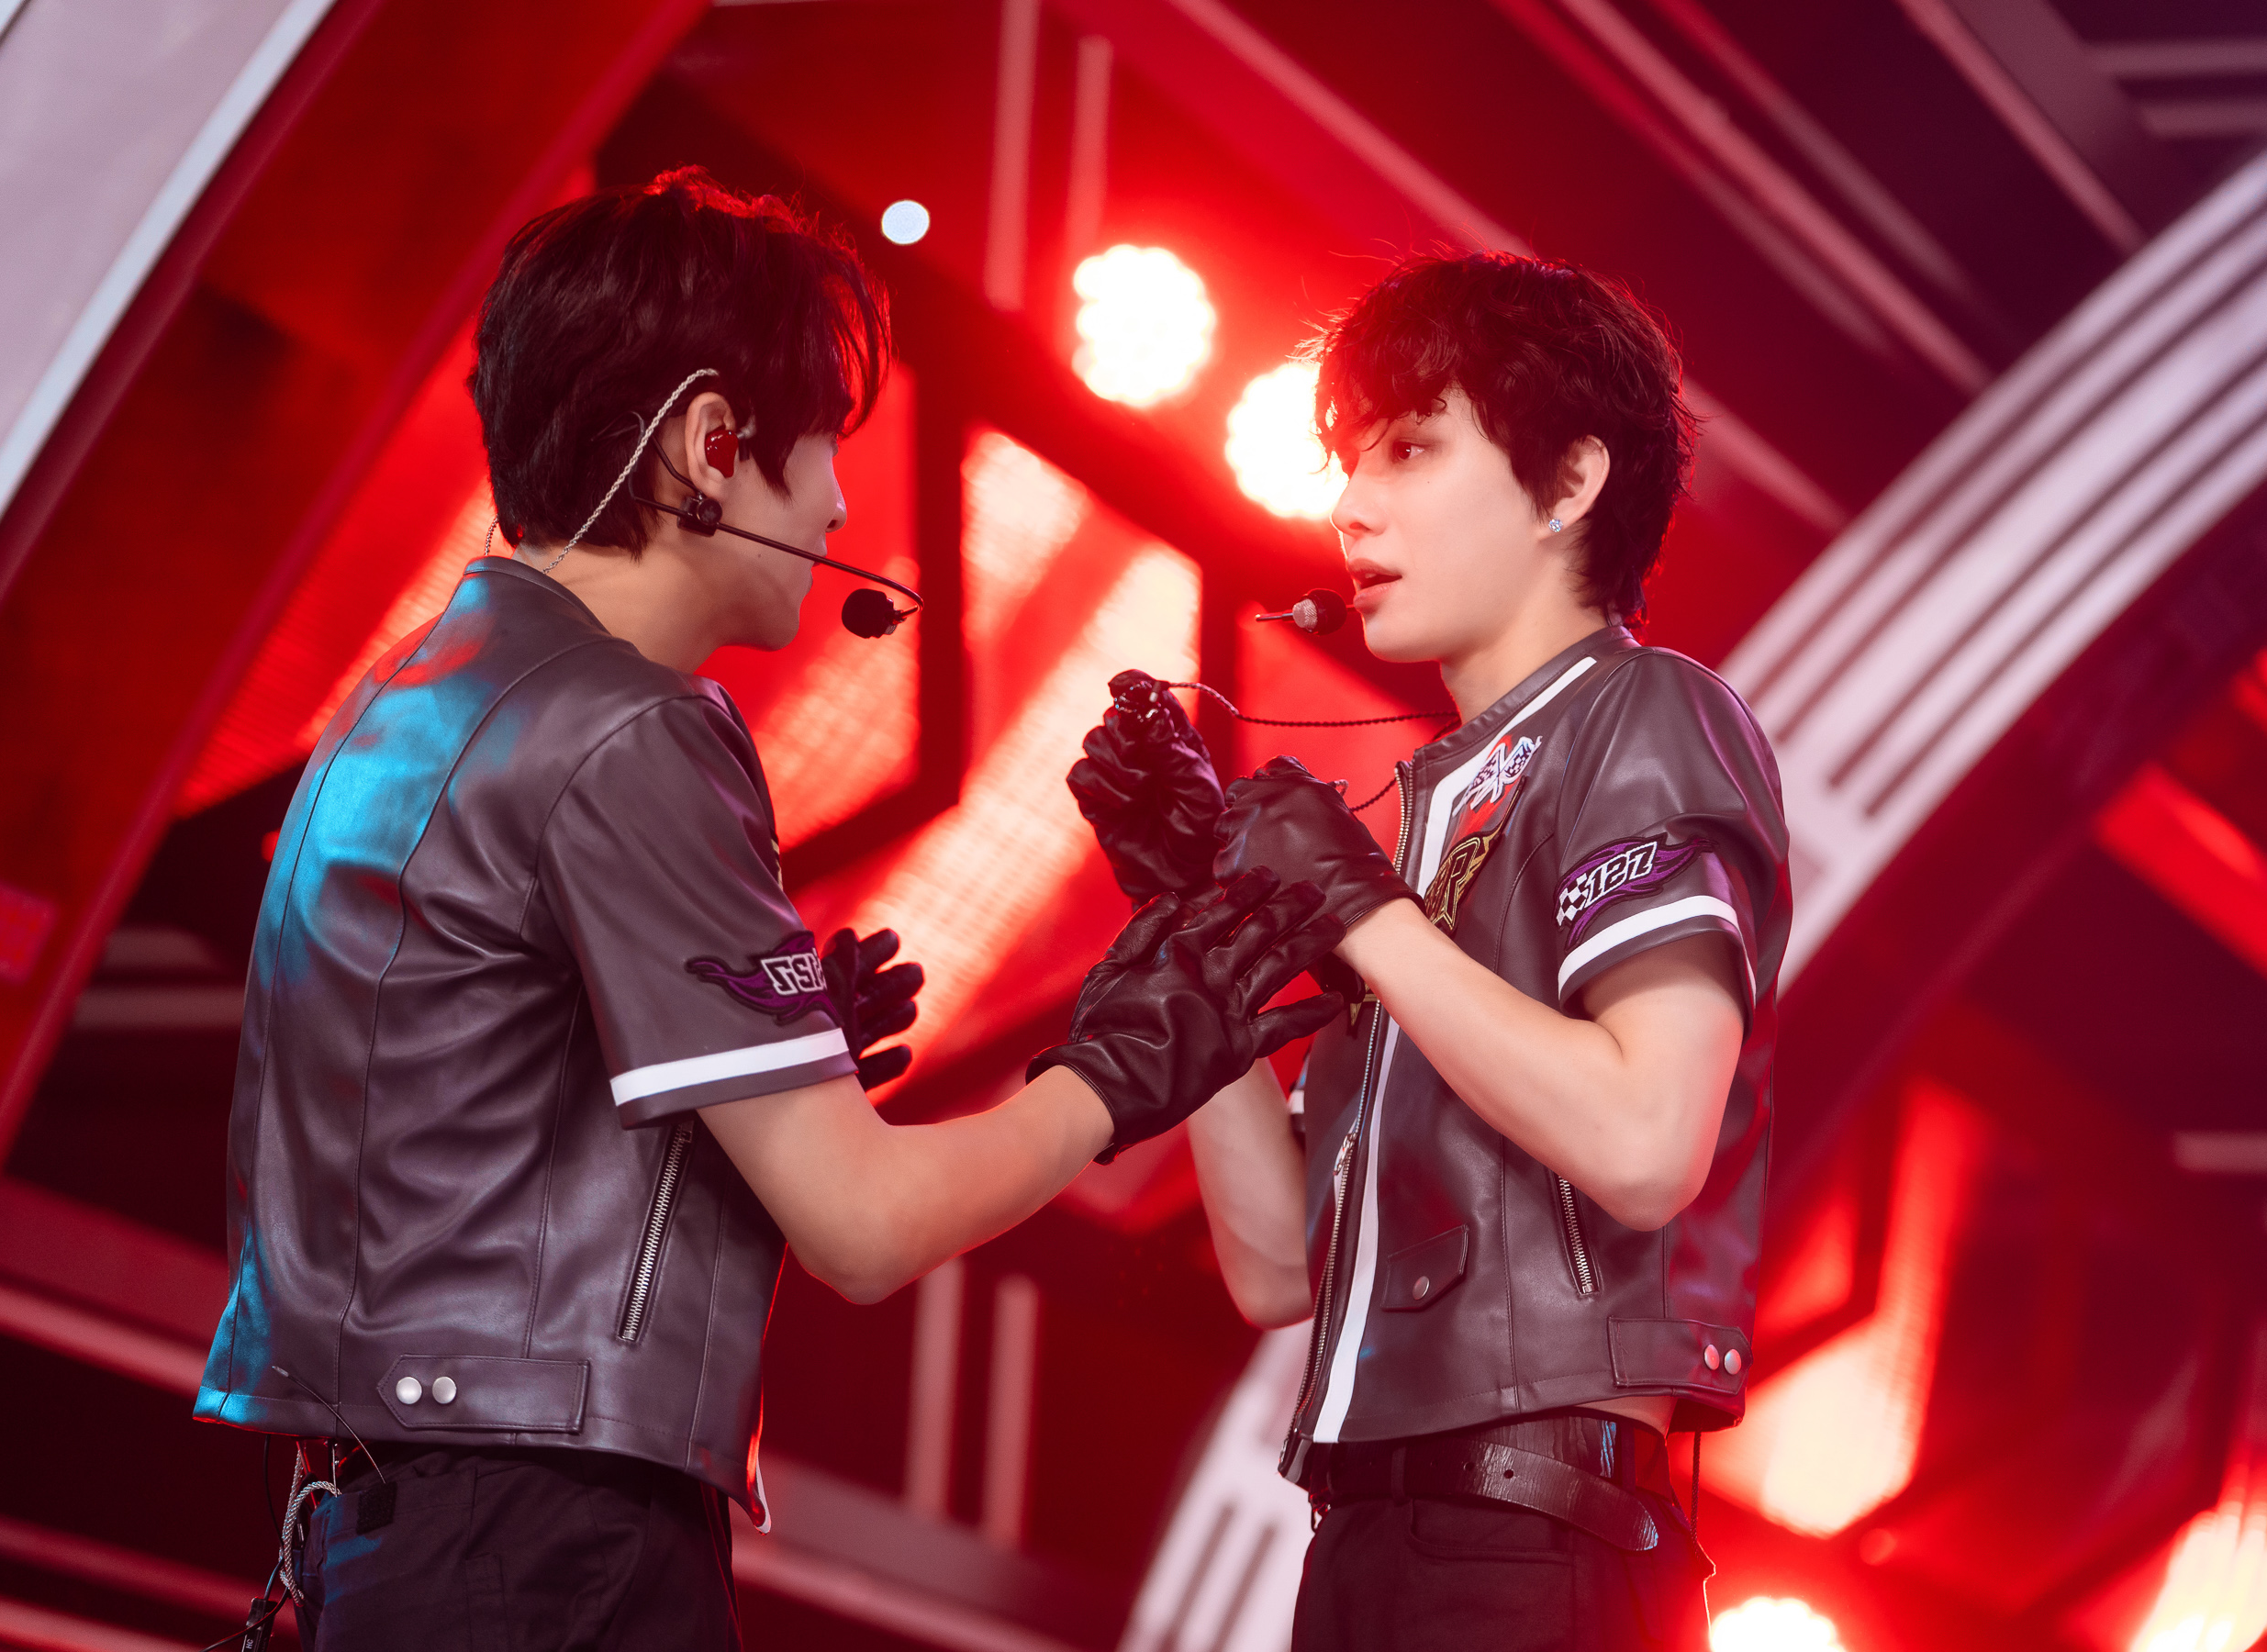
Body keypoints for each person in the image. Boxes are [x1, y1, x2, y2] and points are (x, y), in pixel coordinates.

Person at [195, 169, 1345, 1652]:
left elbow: (453, 1147)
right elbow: (866, 1226)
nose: (841, 503)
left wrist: (727, 1091)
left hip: (394, 1542)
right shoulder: (631, 729)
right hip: (551, 1555)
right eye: (823, 447)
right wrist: (1131, 1061)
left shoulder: (408, 704)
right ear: (713, 446)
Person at [1070, 251, 1789, 1650]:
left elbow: (1647, 1140)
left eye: (1408, 448)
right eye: (1347, 460)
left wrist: (1362, 916)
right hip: (1376, 1540)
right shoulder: (1430, 818)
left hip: (1531, 1540)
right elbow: (1277, 1270)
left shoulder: (1648, 711)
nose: (1350, 506)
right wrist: (1192, 920)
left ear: (1570, 481)